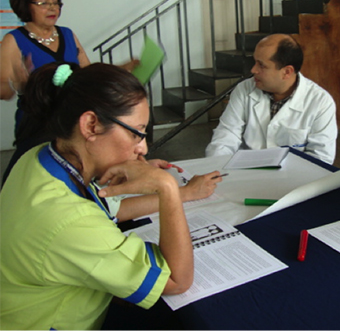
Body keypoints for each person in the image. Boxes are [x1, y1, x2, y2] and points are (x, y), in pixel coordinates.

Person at [0, 62, 221, 329]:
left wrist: (186, 192)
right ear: (91, 124)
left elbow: (109, 209)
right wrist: (168, 189)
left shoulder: (42, 157)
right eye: (136, 133)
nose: (143, 148)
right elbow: (177, 280)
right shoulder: (72, 222)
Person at [0, 0, 136, 183]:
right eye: (43, 3)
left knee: (77, 173)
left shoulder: (67, 34)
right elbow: (3, 91)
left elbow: (87, 73)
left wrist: (120, 70)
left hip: (72, 117)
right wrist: (20, 84)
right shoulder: (13, 40)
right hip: (37, 122)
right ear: (24, 5)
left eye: (55, 3)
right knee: (38, 176)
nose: (52, 8)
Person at [205, 33, 338, 164]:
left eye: (261, 65)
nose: (253, 70)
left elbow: (321, 158)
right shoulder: (244, 89)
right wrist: (215, 168)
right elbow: (226, 136)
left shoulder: (320, 102)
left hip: (293, 177)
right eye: (254, 62)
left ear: (286, 72)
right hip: (245, 172)